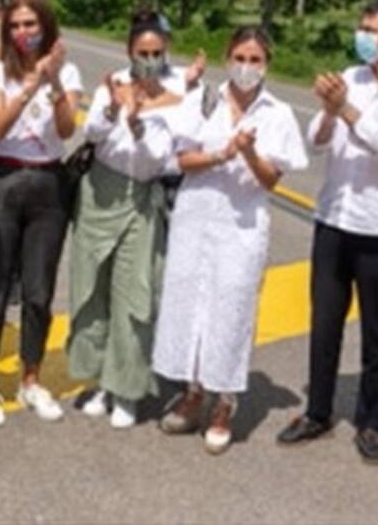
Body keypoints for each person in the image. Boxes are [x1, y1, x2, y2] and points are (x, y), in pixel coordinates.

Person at [278, 0, 378, 464]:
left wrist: (347, 110)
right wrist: (330, 111)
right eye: (361, 27)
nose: (362, 35)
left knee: (377, 329)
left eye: (372, 28)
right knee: (324, 323)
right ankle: (317, 411)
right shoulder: (353, 76)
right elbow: (316, 140)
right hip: (334, 218)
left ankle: (372, 421)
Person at [153, 27, 308, 455]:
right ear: (227, 57)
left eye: (255, 60)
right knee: (188, 305)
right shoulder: (203, 100)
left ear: (268, 64)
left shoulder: (276, 113)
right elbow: (181, 159)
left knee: (231, 309)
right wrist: (222, 153)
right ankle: (192, 391)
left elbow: (271, 179)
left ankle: (224, 402)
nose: (246, 67)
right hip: (195, 216)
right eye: (240, 57)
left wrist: (249, 153)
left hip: (241, 224)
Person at [69, 10, 184, 429]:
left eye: (156, 52)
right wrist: (116, 111)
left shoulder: (177, 92)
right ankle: (100, 379)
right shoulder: (113, 84)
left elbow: (161, 156)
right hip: (101, 193)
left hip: (142, 197)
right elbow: (93, 135)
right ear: (129, 51)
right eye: (142, 52)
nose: (149, 59)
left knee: (134, 295)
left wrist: (137, 124)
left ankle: (128, 387)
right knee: (92, 287)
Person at [0, 0, 82, 426]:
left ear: (47, 27)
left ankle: (31, 378)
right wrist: (30, 86)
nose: (23, 32)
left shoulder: (67, 70)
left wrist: (53, 81)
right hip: (1, 179)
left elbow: (66, 126)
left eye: (31, 25)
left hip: (48, 183)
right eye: (15, 25)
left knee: (38, 290)